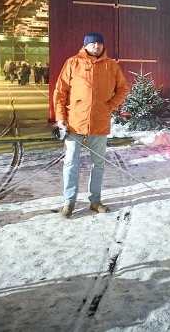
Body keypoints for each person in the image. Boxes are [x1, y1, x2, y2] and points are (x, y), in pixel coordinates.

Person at [53, 32, 130, 218]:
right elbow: (60, 92)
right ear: (85, 46)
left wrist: (109, 106)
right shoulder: (73, 63)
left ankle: (95, 200)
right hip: (74, 122)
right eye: (92, 43)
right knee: (71, 163)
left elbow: (123, 89)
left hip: (99, 122)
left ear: (103, 46)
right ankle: (69, 202)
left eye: (99, 43)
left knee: (99, 164)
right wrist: (60, 117)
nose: (96, 46)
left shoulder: (111, 66)